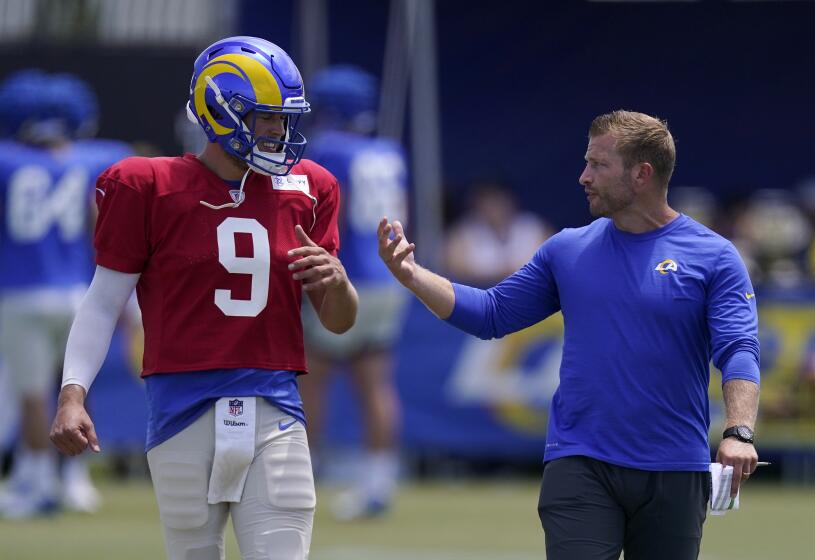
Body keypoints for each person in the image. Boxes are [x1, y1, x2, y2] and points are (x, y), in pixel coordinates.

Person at [378, 110, 761, 560]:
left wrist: (739, 431)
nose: (583, 176)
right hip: (580, 462)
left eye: (599, 165)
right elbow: (491, 314)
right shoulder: (567, 249)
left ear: (642, 174)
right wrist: (410, 274)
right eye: (586, 162)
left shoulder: (714, 256)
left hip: (676, 467)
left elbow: (738, 350)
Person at [50, 36, 358, 560]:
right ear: (221, 112)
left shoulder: (310, 189)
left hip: (275, 404)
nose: (279, 133)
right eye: (266, 118)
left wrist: (339, 283)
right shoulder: (147, 184)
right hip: (180, 410)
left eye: (284, 120)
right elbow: (103, 301)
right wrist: (72, 392)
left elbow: (338, 321)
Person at [0, 69, 132, 519]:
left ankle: (35, 481)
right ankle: (74, 479)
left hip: (20, 294)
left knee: (33, 393)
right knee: (76, 382)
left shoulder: (8, 161)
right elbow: (102, 227)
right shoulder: (93, 159)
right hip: (77, 290)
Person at [297, 65, 410, 520]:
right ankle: (379, 481)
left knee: (311, 378)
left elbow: (317, 211)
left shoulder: (327, 148)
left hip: (349, 277)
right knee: (377, 384)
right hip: (389, 276)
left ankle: (300, 475)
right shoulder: (389, 151)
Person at [443, 179, 552, 286]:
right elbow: (455, 269)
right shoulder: (463, 233)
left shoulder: (533, 227)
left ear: (510, 201)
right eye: (488, 202)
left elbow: (554, 261)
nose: (493, 208)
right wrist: (500, 275)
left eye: (498, 200)